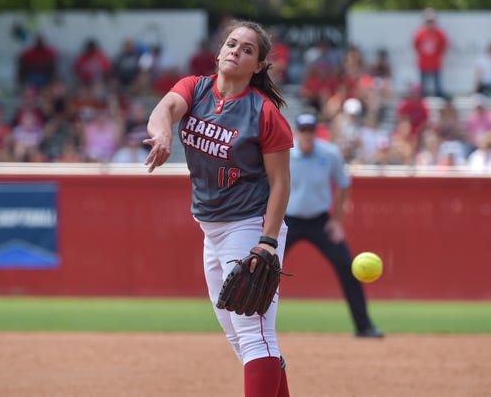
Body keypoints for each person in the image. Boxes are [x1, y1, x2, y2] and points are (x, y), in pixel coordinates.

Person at [143, 20, 293, 397]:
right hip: (211, 228)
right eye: (232, 43)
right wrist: (162, 133)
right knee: (241, 336)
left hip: (249, 225)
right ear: (219, 51)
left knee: (254, 333)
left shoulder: (263, 113)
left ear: (258, 66)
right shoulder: (196, 89)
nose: (236, 51)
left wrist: (268, 242)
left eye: (247, 50)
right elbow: (164, 108)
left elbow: (281, 184)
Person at [284, 112, 383, 338]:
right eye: (303, 131)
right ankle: (247, 327)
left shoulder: (330, 154)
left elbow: (343, 185)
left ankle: (364, 326)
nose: (307, 136)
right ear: (297, 133)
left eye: (311, 131)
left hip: (321, 221)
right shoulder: (284, 153)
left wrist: (337, 221)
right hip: (287, 220)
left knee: (347, 267)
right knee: (264, 268)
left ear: (315, 132)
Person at [412, 8, 448, 98]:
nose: (430, 23)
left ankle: (439, 101)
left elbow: (445, 45)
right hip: (423, 63)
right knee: (422, 87)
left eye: (432, 21)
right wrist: (421, 54)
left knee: (438, 87)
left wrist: (439, 55)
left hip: (435, 63)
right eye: (428, 21)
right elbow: (415, 44)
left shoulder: (439, 33)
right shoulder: (420, 32)